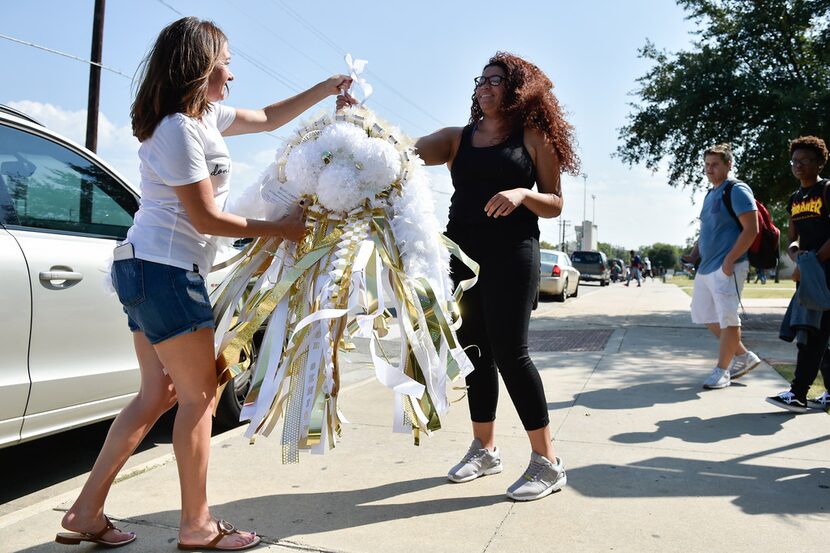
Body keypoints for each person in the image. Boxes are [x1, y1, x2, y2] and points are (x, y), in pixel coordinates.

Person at [55, 17, 354, 550]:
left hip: (149, 266)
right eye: (226, 61)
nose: (232, 74)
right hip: (165, 271)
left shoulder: (203, 118)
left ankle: (84, 510)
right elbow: (206, 219)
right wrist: (281, 229)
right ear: (198, 65)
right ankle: (197, 526)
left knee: (158, 395)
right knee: (200, 398)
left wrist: (327, 88)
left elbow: (265, 119)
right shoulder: (176, 130)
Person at [413, 52, 578, 501]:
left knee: (511, 354)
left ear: (519, 89)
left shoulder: (533, 137)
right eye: (481, 79)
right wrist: (359, 125)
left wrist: (524, 192)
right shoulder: (456, 138)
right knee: (474, 353)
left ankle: (548, 462)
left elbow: (556, 201)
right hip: (462, 258)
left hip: (512, 254)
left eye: (497, 80)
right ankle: (484, 449)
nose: (485, 86)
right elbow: (400, 153)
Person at [683, 143, 761, 390]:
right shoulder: (710, 194)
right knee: (703, 314)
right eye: (707, 165)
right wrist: (693, 255)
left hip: (729, 266)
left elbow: (752, 229)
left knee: (728, 318)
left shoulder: (736, 190)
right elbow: (707, 231)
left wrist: (729, 261)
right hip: (706, 268)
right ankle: (745, 356)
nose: (710, 169)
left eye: (715, 164)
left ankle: (722, 371)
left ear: (729, 164)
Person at [766, 136, 830, 412]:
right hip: (810, 272)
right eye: (794, 161)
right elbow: (793, 239)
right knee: (820, 335)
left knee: (814, 334)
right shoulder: (795, 199)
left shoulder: (827, 189)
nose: (798, 165)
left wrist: (812, 261)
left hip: (824, 272)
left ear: (819, 162)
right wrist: (795, 256)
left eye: (805, 161)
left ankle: (798, 394)